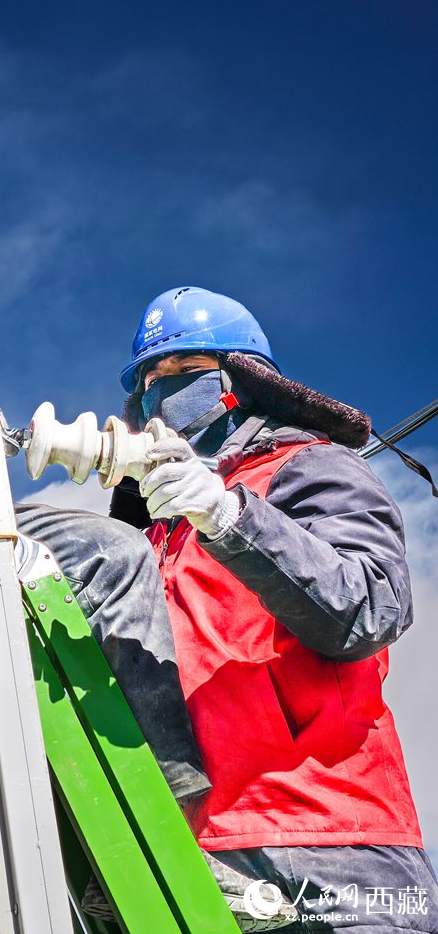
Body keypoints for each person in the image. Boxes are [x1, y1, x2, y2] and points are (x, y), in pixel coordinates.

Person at [104, 284, 438, 934]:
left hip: (338, 845)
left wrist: (228, 515)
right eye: (151, 379)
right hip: (205, 865)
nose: (164, 393)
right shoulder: (154, 539)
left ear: (243, 380)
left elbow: (370, 604)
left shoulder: (307, 468)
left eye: (186, 370)